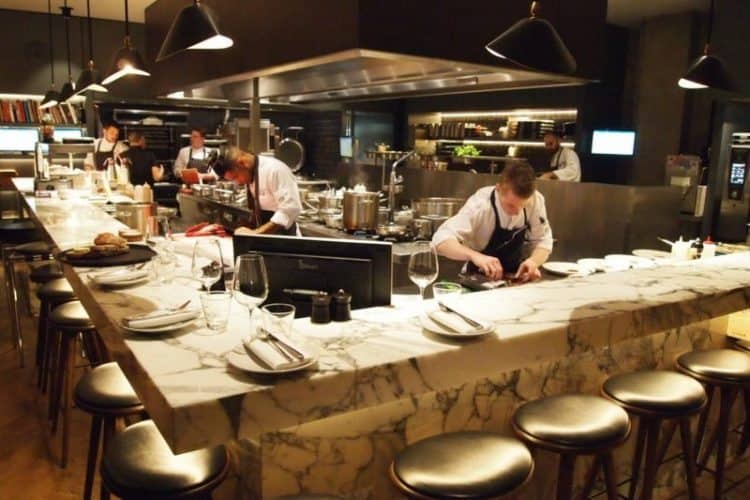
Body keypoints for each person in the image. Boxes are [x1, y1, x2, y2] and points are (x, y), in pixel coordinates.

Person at [432, 163, 553, 283]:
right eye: (511, 205)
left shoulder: (536, 200)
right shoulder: (480, 205)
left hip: (514, 277)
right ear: (498, 189)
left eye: (523, 205)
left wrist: (533, 262)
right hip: (478, 278)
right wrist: (475, 256)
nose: (518, 212)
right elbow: (440, 241)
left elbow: (543, 241)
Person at [219, 147, 302, 235]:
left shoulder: (275, 170)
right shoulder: (251, 172)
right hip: (266, 239)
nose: (238, 182)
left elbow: (290, 209)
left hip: (285, 239)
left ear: (242, 163)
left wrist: (257, 232)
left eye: (236, 177)